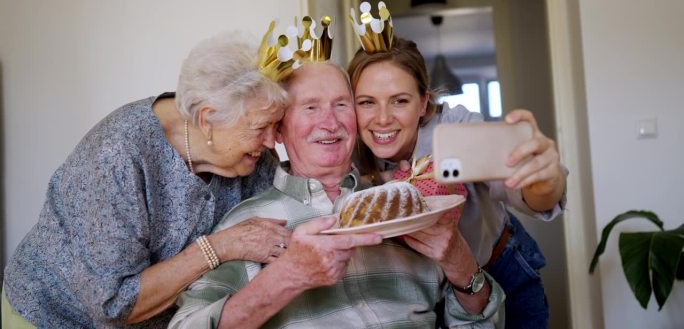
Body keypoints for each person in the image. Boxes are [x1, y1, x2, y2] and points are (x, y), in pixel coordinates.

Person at [169, 60, 504, 329]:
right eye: (310, 108)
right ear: (279, 129)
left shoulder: (407, 204)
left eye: (341, 105)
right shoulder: (245, 227)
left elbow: (479, 321)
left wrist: (461, 264)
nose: (329, 123)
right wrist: (288, 277)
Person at [2, 33, 293, 329]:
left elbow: (287, 205)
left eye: (276, 125)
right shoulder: (117, 155)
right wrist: (218, 248)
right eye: (261, 128)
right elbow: (115, 304)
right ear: (207, 120)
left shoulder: (245, 155)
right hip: (54, 317)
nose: (272, 140)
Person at [346, 3, 567, 329]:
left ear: (424, 102)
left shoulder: (457, 128)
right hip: (418, 294)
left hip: (496, 268)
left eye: (400, 100)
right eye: (367, 102)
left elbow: (519, 188)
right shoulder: (347, 150)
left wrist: (545, 183)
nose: (382, 119)